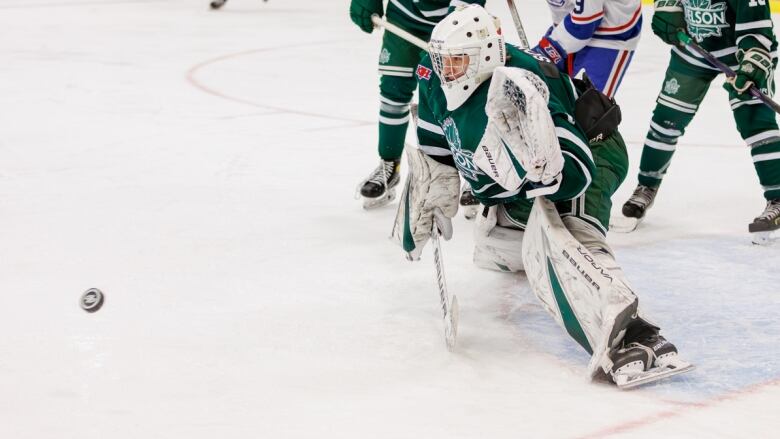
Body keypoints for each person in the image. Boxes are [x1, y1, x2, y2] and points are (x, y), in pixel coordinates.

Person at [391, 5, 690, 385]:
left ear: (484, 55)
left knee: (568, 236)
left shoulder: (520, 85)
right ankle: (532, 234)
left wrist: (541, 174)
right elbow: (436, 149)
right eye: (442, 61)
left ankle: (630, 333)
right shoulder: (433, 73)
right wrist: (432, 192)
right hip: (523, 185)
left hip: (593, 151)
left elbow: (576, 172)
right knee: (497, 246)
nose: (446, 70)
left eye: (456, 62)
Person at [621, 0, 780, 240]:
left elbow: (756, 34)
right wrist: (667, 7)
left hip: (741, 56)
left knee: (756, 123)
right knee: (667, 120)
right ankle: (646, 186)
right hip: (693, 51)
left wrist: (752, 66)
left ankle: (778, 198)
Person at [349, 0, 486, 209]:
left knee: (461, 90)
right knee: (393, 90)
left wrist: (461, 14)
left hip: (452, 19)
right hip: (404, 12)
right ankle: (389, 165)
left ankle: (474, 171)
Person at [533, 0, 643, 98]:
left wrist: (549, 48)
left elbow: (582, 28)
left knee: (587, 107)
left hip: (611, 32)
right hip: (575, 20)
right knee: (550, 95)